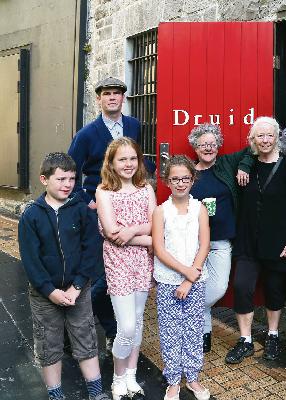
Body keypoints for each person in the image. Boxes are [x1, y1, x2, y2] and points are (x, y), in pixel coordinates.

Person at [18, 153, 110, 400]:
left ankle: (95, 391)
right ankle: (56, 394)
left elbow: (90, 251)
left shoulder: (81, 210)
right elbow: (31, 260)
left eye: (71, 178)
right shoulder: (31, 215)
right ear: (44, 179)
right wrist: (50, 291)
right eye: (60, 179)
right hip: (44, 294)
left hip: (77, 291)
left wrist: (77, 286)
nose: (67, 184)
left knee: (85, 337)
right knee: (49, 344)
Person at [67, 77, 140, 350]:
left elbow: (138, 161)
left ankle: (125, 325)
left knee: (125, 268)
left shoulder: (133, 126)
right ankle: (111, 330)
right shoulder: (86, 134)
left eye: (117, 93)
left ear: (123, 98)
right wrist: (84, 201)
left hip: (129, 206)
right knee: (102, 275)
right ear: (99, 99)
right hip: (100, 207)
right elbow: (70, 171)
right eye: (106, 94)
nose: (112, 98)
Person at [225, 117, 286, 364]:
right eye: (260, 136)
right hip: (248, 239)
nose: (265, 140)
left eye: (270, 135)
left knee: (274, 290)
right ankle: (245, 340)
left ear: (277, 137)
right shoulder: (245, 166)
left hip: (278, 240)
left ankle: (272, 335)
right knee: (242, 287)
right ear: (253, 140)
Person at [95, 137, 156, 400]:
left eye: (133, 158)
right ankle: (118, 378)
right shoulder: (104, 192)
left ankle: (131, 375)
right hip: (118, 263)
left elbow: (155, 225)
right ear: (111, 163)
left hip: (142, 262)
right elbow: (111, 232)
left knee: (139, 319)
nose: (128, 164)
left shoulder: (146, 189)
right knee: (127, 325)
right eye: (122, 159)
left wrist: (131, 230)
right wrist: (148, 239)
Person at [187, 123, 253, 353]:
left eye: (212, 144)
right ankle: (204, 333)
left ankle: (189, 315)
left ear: (218, 146)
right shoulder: (190, 173)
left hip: (221, 241)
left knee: (218, 288)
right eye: (203, 144)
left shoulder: (225, 163)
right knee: (196, 283)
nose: (208, 148)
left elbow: (251, 150)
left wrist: (244, 166)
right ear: (195, 147)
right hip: (194, 243)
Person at [152, 155, 211, 400]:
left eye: (185, 178)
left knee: (193, 328)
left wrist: (190, 277)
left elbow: (204, 244)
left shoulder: (200, 209)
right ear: (167, 181)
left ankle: (193, 377)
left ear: (192, 179)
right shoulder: (160, 211)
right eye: (175, 179)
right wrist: (183, 272)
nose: (180, 183)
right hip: (168, 280)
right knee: (170, 330)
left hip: (195, 280)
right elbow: (159, 248)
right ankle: (173, 380)